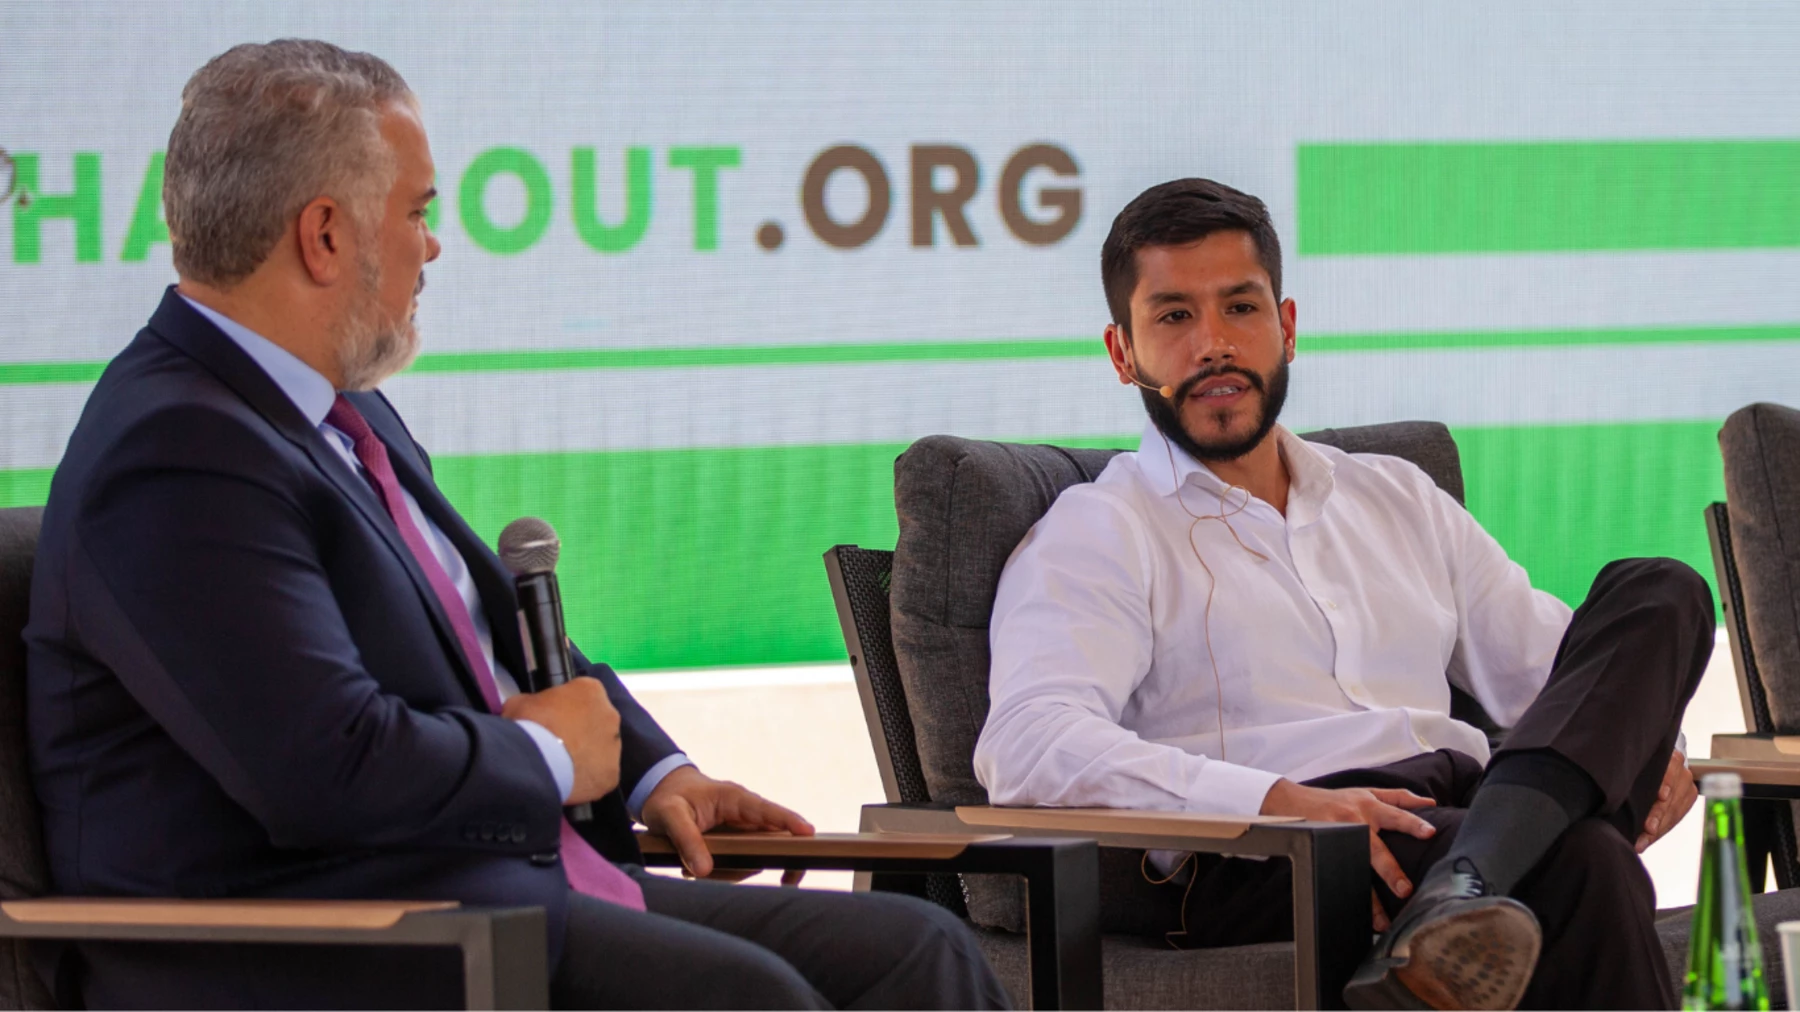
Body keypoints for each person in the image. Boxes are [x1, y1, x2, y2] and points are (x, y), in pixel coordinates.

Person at [24, 40, 1008, 1011]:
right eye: (416, 212)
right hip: (321, 946)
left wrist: (654, 770)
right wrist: (550, 761)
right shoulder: (177, 452)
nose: (434, 244)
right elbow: (322, 769)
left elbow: (492, 647)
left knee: (917, 954)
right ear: (325, 234)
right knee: (749, 997)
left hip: (498, 898)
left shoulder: (337, 414)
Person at [973, 177, 1712, 1010]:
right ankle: (1472, 886)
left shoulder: (1394, 493)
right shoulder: (1102, 528)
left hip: (1471, 808)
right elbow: (1030, 744)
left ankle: (1463, 891)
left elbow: (1549, 672)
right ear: (1123, 353)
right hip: (1280, 855)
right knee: (1583, 862)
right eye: (1174, 317)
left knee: (1662, 589)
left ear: (1285, 327)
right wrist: (1283, 805)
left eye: (1240, 308)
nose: (1213, 343)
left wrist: (1659, 746)